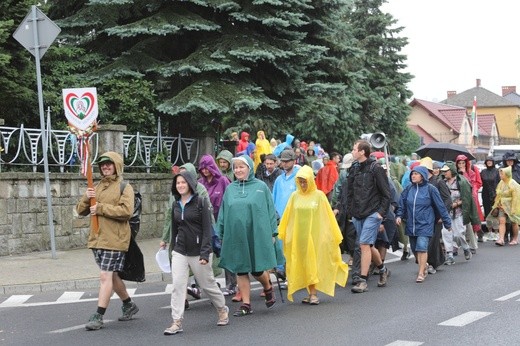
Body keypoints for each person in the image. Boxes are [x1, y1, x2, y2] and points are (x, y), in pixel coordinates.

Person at [76, 151, 139, 330]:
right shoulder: (95, 187)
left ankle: (98, 315)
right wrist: (86, 197)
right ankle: (128, 305)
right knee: (112, 275)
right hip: (97, 239)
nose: (105, 167)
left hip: (116, 239)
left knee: (105, 276)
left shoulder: (125, 187)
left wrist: (101, 208)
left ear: (116, 166)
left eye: (109, 164)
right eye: (102, 164)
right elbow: (80, 211)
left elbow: (127, 211)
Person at [163, 171, 229, 335]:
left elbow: (207, 229)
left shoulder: (201, 202)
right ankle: (176, 321)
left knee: (207, 284)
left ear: (190, 184)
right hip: (180, 251)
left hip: (199, 251)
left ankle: (221, 308)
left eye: (183, 183)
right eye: (178, 183)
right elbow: (175, 228)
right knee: (178, 286)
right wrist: (171, 250)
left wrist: (205, 253)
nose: (180, 186)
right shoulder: (176, 204)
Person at [217, 155, 279, 316]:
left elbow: (270, 209)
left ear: (249, 168)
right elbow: (224, 212)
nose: (237, 170)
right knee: (241, 269)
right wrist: (221, 232)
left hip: (256, 234)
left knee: (257, 270)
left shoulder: (261, 187)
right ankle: (246, 304)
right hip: (236, 235)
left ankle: (267, 287)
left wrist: (273, 231)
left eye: (241, 167)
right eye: (235, 167)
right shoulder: (230, 189)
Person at [278, 165, 348, 304]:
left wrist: (329, 235)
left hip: (315, 237)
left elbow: (326, 216)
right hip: (300, 237)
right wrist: (283, 232)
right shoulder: (294, 196)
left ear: (311, 180)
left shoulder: (319, 196)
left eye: (305, 181)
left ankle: (314, 293)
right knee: (303, 263)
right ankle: (310, 292)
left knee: (314, 262)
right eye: (300, 181)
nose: (303, 184)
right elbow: (288, 216)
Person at [346, 140, 391, 293]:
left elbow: (386, 194)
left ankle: (362, 281)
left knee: (364, 244)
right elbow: (349, 192)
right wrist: (350, 210)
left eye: (354, 149)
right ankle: (383, 269)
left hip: (372, 213)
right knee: (369, 246)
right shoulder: (354, 168)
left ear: (362, 152)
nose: (352, 151)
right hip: (358, 213)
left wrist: (380, 213)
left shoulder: (376, 168)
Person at [396, 166, 451, 283]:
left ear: (422, 175)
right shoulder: (408, 189)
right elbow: (402, 203)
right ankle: (424, 264)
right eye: (412, 174)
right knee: (416, 249)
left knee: (422, 247)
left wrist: (447, 222)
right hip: (411, 224)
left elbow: (441, 206)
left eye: (416, 174)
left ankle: (421, 273)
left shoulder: (430, 189)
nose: (413, 176)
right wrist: (399, 215)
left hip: (426, 223)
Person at [438, 162, 480, 265]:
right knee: (446, 234)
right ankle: (450, 256)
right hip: (446, 213)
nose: (444, 173)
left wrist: (456, 204)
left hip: (459, 212)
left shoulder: (461, 181)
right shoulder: (442, 182)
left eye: (446, 171)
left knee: (458, 234)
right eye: (443, 171)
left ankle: (465, 248)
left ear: (451, 170)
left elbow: (466, 197)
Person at [272, 148, 301, 285]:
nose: (284, 164)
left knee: (292, 248)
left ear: (293, 161)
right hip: (280, 219)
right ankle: (282, 272)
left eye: (287, 161)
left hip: (293, 219)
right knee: (280, 246)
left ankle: (293, 276)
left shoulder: (298, 177)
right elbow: (273, 198)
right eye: (282, 161)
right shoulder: (279, 179)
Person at [419, 157, 452, 274]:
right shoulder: (422, 183)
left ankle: (431, 263)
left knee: (432, 241)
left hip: (436, 217)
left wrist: (442, 216)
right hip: (425, 217)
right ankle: (437, 260)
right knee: (430, 241)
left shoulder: (439, 182)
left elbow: (448, 200)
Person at [487, 166, 520, 246]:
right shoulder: (501, 183)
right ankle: (501, 239)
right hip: (502, 206)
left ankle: (515, 238)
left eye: (502, 174)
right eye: (500, 174)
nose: (500, 175)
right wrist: (497, 204)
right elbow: (498, 194)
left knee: (514, 222)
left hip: (512, 206)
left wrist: (513, 209)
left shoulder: (513, 184)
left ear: (507, 174)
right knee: (501, 221)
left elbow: (516, 197)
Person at [480, 157, 500, 240]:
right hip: (485, 194)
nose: (489, 162)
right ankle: (489, 232)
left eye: (490, 161)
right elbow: (480, 182)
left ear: (493, 162)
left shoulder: (497, 171)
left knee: (495, 213)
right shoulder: (483, 172)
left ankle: (496, 232)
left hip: (495, 194)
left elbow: (499, 183)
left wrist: (498, 194)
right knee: (487, 213)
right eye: (487, 161)